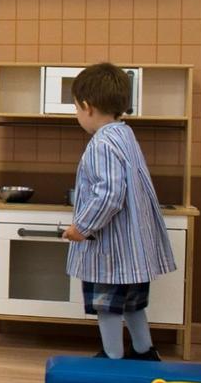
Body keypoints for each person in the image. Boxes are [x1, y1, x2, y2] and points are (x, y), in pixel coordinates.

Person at [62, 63, 176, 361]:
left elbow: (109, 195)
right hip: (133, 248)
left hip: (111, 250)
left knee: (107, 305)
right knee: (133, 304)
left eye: (75, 108)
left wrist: (82, 227)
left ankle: (112, 358)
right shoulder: (125, 136)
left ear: (87, 107)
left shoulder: (101, 143)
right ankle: (143, 351)